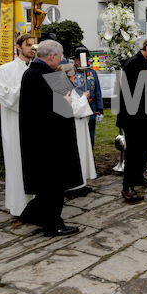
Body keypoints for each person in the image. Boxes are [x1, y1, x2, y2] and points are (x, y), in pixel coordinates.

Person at [19, 39, 82, 237]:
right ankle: (53, 224)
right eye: (61, 55)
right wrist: (69, 95)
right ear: (52, 56)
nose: (62, 59)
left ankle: (33, 214)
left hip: (37, 139)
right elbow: (64, 108)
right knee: (54, 186)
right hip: (52, 141)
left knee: (45, 185)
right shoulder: (49, 75)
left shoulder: (30, 72)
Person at [116, 37, 147, 202]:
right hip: (133, 117)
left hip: (143, 116)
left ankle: (138, 176)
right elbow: (139, 87)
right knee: (134, 152)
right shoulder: (134, 63)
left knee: (144, 150)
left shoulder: (145, 63)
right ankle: (127, 187)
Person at [0, 33, 36, 216]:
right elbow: (6, 97)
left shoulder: (37, 68)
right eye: (28, 45)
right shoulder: (6, 69)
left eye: (34, 45)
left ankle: (38, 204)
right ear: (18, 47)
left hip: (35, 124)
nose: (32, 49)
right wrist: (27, 86)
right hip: (15, 124)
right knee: (17, 164)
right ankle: (19, 207)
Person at [60, 63, 96, 199]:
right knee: (77, 153)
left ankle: (81, 183)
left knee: (82, 153)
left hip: (80, 126)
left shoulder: (70, 88)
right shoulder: (63, 89)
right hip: (74, 126)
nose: (75, 78)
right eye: (73, 75)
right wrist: (84, 98)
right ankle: (74, 187)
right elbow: (72, 109)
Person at [72, 46, 103, 147]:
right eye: (83, 60)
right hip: (79, 108)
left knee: (91, 134)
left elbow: (97, 91)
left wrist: (100, 109)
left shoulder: (92, 73)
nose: (87, 62)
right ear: (76, 61)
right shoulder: (72, 73)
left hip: (91, 107)